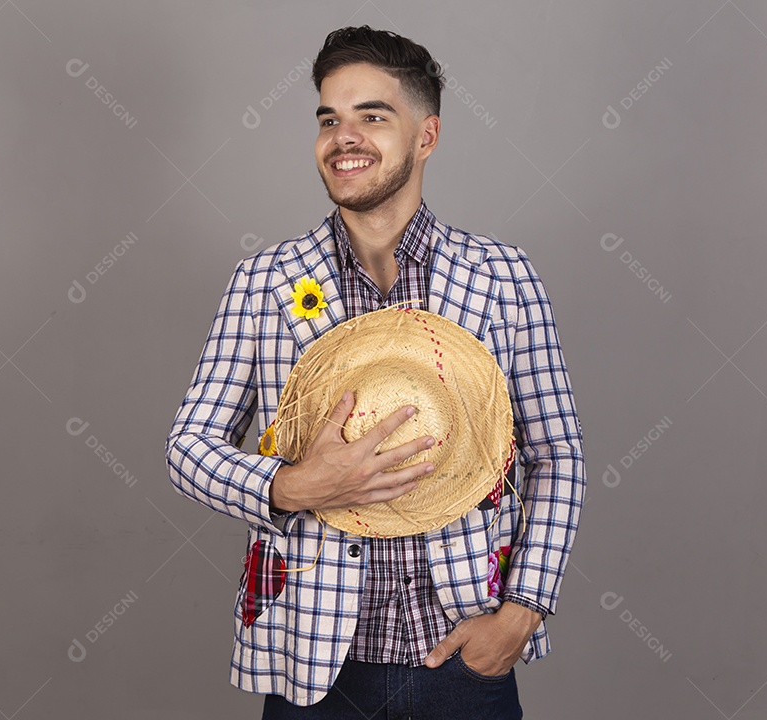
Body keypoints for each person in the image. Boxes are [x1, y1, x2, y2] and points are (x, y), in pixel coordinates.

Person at [166, 25, 585, 719]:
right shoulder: (264, 282)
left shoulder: (504, 279)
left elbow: (557, 453)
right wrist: (291, 484)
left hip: (460, 656)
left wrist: (523, 612)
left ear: (427, 136)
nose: (343, 137)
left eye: (372, 116)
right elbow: (187, 449)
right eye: (329, 118)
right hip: (311, 661)